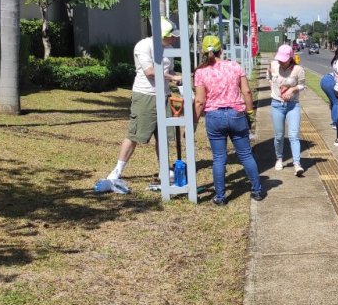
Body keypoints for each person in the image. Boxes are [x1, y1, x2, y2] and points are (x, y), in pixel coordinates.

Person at [104, 17, 181, 193]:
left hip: (164, 96)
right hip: (145, 96)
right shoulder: (143, 46)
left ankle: (164, 170)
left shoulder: (168, 49)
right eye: (171, 36)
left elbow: (169, 71)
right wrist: (173, 77)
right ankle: (117, 171)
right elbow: (150, 72)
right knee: (135, 134)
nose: (174, 39)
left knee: (163, 136)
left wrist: (176, 77)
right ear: (161, 34)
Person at [192, 35, 265, 205]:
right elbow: (247, 92)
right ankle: (257, 191)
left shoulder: (201, 72)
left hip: (214, 116)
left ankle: (220, 196)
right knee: (246, 155)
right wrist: (249, 112)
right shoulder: (235, 66)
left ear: (203, 51)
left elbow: (200, 101)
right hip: (236, 114)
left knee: (219, 158)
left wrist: (193, 122)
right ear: (221, 50)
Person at [267, 44, 306, 175]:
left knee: (294, 135)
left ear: (290, 58)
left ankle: (297, 164)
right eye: (279, 59)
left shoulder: (298, 69)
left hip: (293, 105)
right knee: (279, 136)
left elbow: (302, 85)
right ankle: (279, 158)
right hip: (277, 104)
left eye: (284, 59)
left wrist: (292, 89)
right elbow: (269, 76)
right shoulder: (273, 65)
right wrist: (272, 86)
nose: (281, 62)